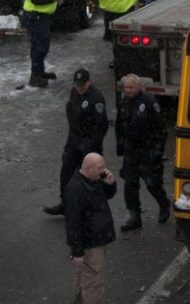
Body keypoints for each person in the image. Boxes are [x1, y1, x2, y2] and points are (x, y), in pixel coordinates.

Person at [45, 68, 109, 216]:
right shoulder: (74, 93)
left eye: (82, 85)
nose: (79, 88)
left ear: (89, 83)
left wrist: (89, 145)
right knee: (66, 173)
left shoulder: (96, 98)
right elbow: (73, 120)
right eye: (77, 85)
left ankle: (92, 207)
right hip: (74, 140)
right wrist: (70, 143)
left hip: (89, 145)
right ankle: (66, 204)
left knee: (90, 178)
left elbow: (101, 126)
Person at [115, 74, 170, 231]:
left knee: (153, 184)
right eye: (126, 88)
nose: (128, 90)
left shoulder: (149, 102)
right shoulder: (124, 102)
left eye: (131, 87)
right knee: (130, 185)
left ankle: (164, 204)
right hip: (131, 151)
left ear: (138, 87)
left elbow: (161, 130)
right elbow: (119, 124)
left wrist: (158, 151)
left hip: (148, 150)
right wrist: (120, 144)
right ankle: (134, 216)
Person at [63, 152, 117, 304]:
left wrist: (110, 183)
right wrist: (77, 251)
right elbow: (73, 222)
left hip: (97, 239)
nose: (104, 170)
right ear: (88, 168)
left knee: (85, 278)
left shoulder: (94, 179)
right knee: (94, 282)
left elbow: (107, 195)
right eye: (100, 167)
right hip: (92, 243)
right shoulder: (75, 190)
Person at [24, 0, 62, 88]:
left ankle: (40, 72)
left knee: (42, 46)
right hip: (36, 18)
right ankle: (35, 76)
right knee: (39, 47)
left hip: (42, 17)